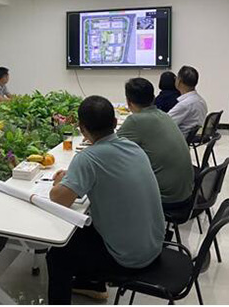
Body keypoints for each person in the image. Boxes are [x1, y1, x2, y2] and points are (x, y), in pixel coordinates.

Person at [47, 96, 165, 304]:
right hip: (154, 246)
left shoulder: (87, 158)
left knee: (57, 256)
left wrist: (60, 182)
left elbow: (59, 199)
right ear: (114, 123)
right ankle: (92, 284)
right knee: (85, 228)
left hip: (127, 259)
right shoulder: (133, 147)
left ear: (82, 129)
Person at [117, 78, 194, 210]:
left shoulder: (136, 120)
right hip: (186, 192)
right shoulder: (164, 115)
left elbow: (109, 148)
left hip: (166, 199)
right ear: (153, 98)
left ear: (128, 102)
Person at [168, 65, 208, 135]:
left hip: (179, 138)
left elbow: (165, 123)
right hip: (192, 137)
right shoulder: (201, 100)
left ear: (179, 81)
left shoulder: (185, 105)